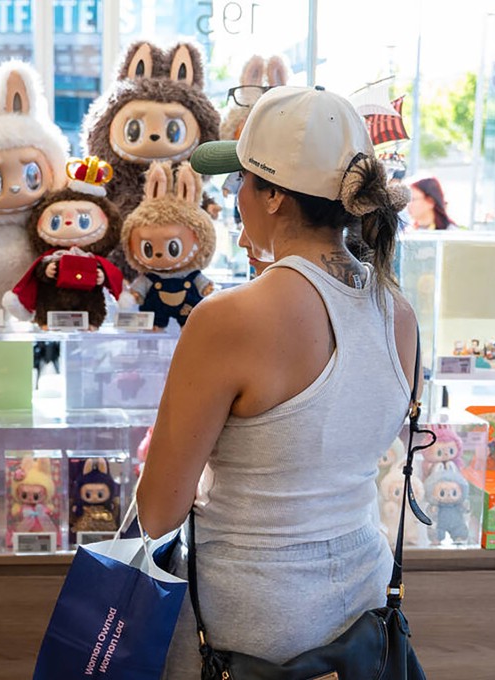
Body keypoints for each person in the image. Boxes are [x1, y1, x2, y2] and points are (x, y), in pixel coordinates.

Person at [136, 86, 419, 675]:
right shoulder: (398, 312)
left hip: (255, 623)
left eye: (240, 179)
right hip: (362, 603)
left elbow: (159, 510)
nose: (235, 196)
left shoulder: (229, 318)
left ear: (270, 195)